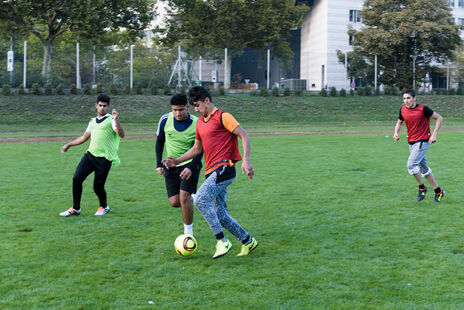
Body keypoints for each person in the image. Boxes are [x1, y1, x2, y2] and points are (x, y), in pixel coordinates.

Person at [163, 86, 258, 259]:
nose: (196, 110)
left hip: (224, 168)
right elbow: (197, 148)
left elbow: (243, 135)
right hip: (211, 171)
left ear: (207, 100)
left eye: (198, 105)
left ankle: (221, 241)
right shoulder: (200, 123)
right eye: (194, 107)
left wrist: (246, 160)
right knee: (221, 214)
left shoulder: (223, 116)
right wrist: (177, 160)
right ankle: (248, 241)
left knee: (199, 199)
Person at [59, 94, 125, 216]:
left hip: (105, 159)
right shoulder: (93, 121)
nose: (102, 108)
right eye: (100, 105)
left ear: (108, 107)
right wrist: (69, 144)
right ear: (96, 105)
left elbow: (121, 134)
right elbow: (84, 138)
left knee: (97, 187)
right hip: (90, 156)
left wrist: (116, 119)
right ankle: (76, 208)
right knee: (76, 179)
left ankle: (104, 207)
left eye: (105, 106)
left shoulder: (111, 120)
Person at [155, 93, 202, 236]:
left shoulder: (197, 123)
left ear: (187, 107)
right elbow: (159, 142)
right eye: (174, 110)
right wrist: (158, 164)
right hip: (170, 164)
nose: (177, 113)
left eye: (181, 109)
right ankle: (198, 198)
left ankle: (188, 234)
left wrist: (191, 166)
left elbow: (200, 149)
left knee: (184, 197)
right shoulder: (164, 120)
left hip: (190, 165)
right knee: (174, 202)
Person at [393, 89, 445, 202]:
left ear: (414, 98)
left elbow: (439, 118)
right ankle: (438, 191)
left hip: (423, 141)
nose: (406, 101)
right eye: (404, 98)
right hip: (411, 142)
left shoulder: (423, 109)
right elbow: (399, 122)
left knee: (411, 165)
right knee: (424, 170)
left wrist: (434, 135)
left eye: (408, 98)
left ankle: (422, 188)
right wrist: (396, 132)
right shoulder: (402, 110)